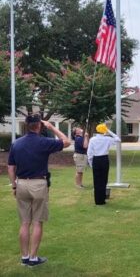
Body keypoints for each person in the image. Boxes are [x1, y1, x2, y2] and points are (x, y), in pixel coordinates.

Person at [7, 114, 71, 267]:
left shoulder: (16, 144)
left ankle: (24, 257)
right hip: (39, 184)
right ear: (39, 126)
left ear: (26, 125)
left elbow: (11, 168)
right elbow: (67, 142)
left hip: (21, 183)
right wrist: (52, 127)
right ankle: (33, 258)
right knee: (37, 222)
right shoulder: (44, 142)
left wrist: (14, 185)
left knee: (24, 222)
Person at [87, 123, 121, 205]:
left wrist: (91, 163)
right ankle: (102, 199)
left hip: (96, 159)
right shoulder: (107, 139)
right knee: (104, 180)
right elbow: (118, 139)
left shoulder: (92, 139)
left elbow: (89, 153)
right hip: (104, 159)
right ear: (104, 131)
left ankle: (97, 201)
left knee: (96, 181)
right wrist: (108, 130)